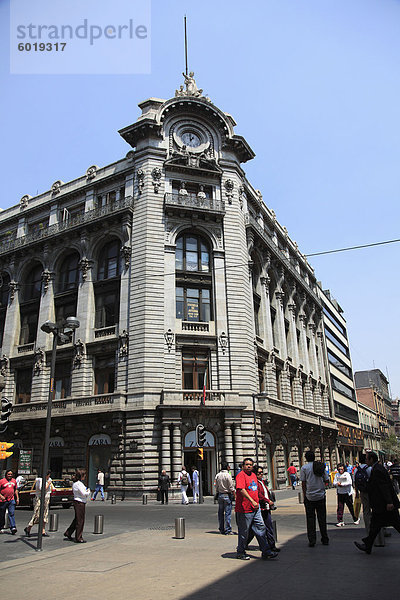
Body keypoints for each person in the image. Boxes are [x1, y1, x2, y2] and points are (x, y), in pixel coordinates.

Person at [354, 451, 400, 554]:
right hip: (381, 505)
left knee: (396, 523)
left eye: (367, 459)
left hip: (384, 505)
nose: (366, 461)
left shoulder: (377, 470)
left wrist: (389, 502)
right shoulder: (377, 468)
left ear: (371, 459)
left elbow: (384, 487)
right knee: (375, 525)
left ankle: (368, 544)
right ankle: (368, 544)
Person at [235, 457, 278, 560]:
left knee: (261, 529)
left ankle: (266, 551)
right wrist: (252, 501)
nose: (249, 466)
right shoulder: (241, 475)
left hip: (256, 508)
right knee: (244, 532)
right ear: (243, 466)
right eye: (246, 464)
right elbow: (241, 489)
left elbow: (256, 491)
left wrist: (259, 502)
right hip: (244, 509)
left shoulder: (254, 475)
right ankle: (240, 552)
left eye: (250, 464)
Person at [299, 450, 329, 547]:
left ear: (306, 458)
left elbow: (303, 483)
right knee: (322, 518)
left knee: (310, 519)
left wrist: (304, 496)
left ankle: (312, 540)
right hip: (320, 495)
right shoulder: (320, 466)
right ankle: (325, 539)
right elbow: (327, 479)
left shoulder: (304, 468)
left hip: (310, 496)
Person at [247, 465, 279, 552]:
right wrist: (267, 501)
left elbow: (265, 492)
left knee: (267, 527)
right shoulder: (255, 483)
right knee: (258, 529)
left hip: (266, 508)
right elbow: (258, 494)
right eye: (259, 473)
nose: (261, 474)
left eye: (262, 473)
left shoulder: (262, 482)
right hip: (260, 508)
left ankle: (271, 545)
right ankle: (245, 544)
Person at [64, 469, 91, 543]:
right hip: (80, 503)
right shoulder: (78, 484)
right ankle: (78, 537)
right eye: (84, 475)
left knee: (77, 519)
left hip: (78, 502)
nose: (85, 477)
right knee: (80, 520)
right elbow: (84, 493)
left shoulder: (77, 483)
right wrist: (88, 491)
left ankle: (68, 532)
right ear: (81, 476)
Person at [24, 470, 53, 537]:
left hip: (46, 498)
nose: (49, 477)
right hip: (40, 499)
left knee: (45, 514)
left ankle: (43, 530)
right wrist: (48, 483)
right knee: (37, 514)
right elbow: (42, 489)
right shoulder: (40, 480)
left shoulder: (49, 479)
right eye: (48, 475)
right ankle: (28, 528)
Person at [214, 462, 235, 535]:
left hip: (220, 495)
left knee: (220, 513)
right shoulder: (228, 475)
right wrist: (234, 494)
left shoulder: (218, 475)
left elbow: (216, 485)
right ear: (227, 467)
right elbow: (231, 487)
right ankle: (228, 529)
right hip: (227, 495)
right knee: (227, 513)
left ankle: (221, 528)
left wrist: (217, 492)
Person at [0, 470, 19, 534]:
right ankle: (1, 527)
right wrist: (1, 496)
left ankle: (13, 527)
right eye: (8, 474)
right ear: (6, 475)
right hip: (3, 501)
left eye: (11, 474)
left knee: (11, 513)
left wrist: (17, 498)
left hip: (11, 500)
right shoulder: (2, 481)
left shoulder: (14, 481)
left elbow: (16, 489)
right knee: (2, 514)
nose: (10, 475)